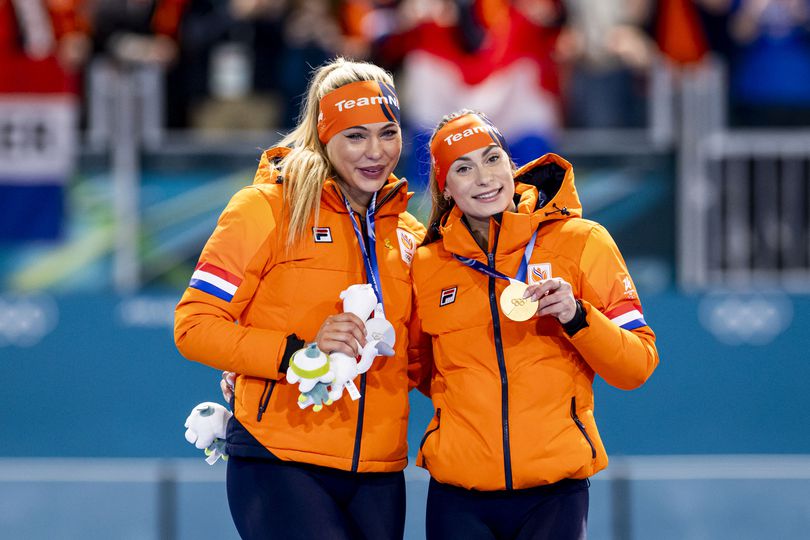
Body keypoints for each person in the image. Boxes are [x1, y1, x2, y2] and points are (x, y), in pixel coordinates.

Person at [174, 57, 426, 540]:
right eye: (355, 136)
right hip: (279, 457)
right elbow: (194, 326)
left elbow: (421, 362)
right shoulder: (267, 208)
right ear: (323, 137)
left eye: (387, 132)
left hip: (380, 470)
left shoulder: (409, 236)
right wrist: (296, 353)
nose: (376, 151)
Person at [408, 110, 660, 539]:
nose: (483, 177)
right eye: (463, 168)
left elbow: (637, 366)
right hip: (457, 497)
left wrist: (578, 317)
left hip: (553, 494)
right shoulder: (428, 265)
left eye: (491, 159)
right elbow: (420, 368)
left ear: (512, 166)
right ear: (445, 188)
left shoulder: (581, 241)